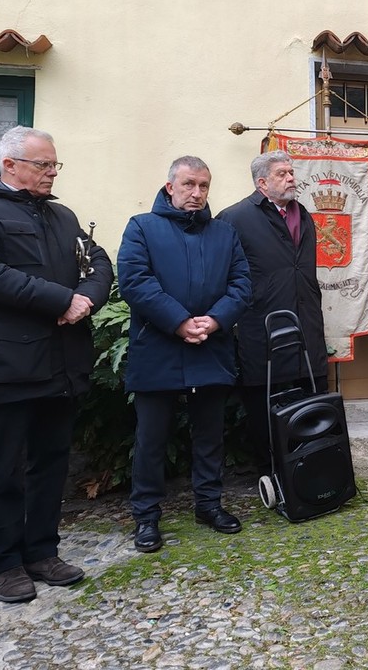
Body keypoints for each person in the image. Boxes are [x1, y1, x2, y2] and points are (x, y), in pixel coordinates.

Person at [0, 126, 113, 603]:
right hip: (5, 363)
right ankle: (4, 563)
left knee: (51, 462)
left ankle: (42, 551)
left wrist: (85, 300)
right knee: (0, 468)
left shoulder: (62, 214)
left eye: (55, 164)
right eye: (43, 164)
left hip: (60, 361)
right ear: (10, 165)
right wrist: (60, 300)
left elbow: (97, 262)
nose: (52, 172)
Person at [118, 156, 251, 553]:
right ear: (170, 186)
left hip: (211, 346)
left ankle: (209, 505)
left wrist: (215, 320)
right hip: (157, 347)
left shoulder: (224, 233)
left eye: (203, 186)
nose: (196, 193)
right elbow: (135, 281)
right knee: (151, 439)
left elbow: (242, 284)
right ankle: (146, 516)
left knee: (209, 436)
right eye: (189, 184)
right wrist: (177, 321)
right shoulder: (142, 226)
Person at [217, 150, 329, 474]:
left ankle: (313, 470)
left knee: (311, 401)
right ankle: (272, 473)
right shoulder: (235, 218)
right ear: (262, 183)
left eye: (291, 172)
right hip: (262, 327)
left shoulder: (303, 214)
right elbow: (222, 275)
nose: (291, 178)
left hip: (306, 325)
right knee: (265, 406)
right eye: (282, 174)